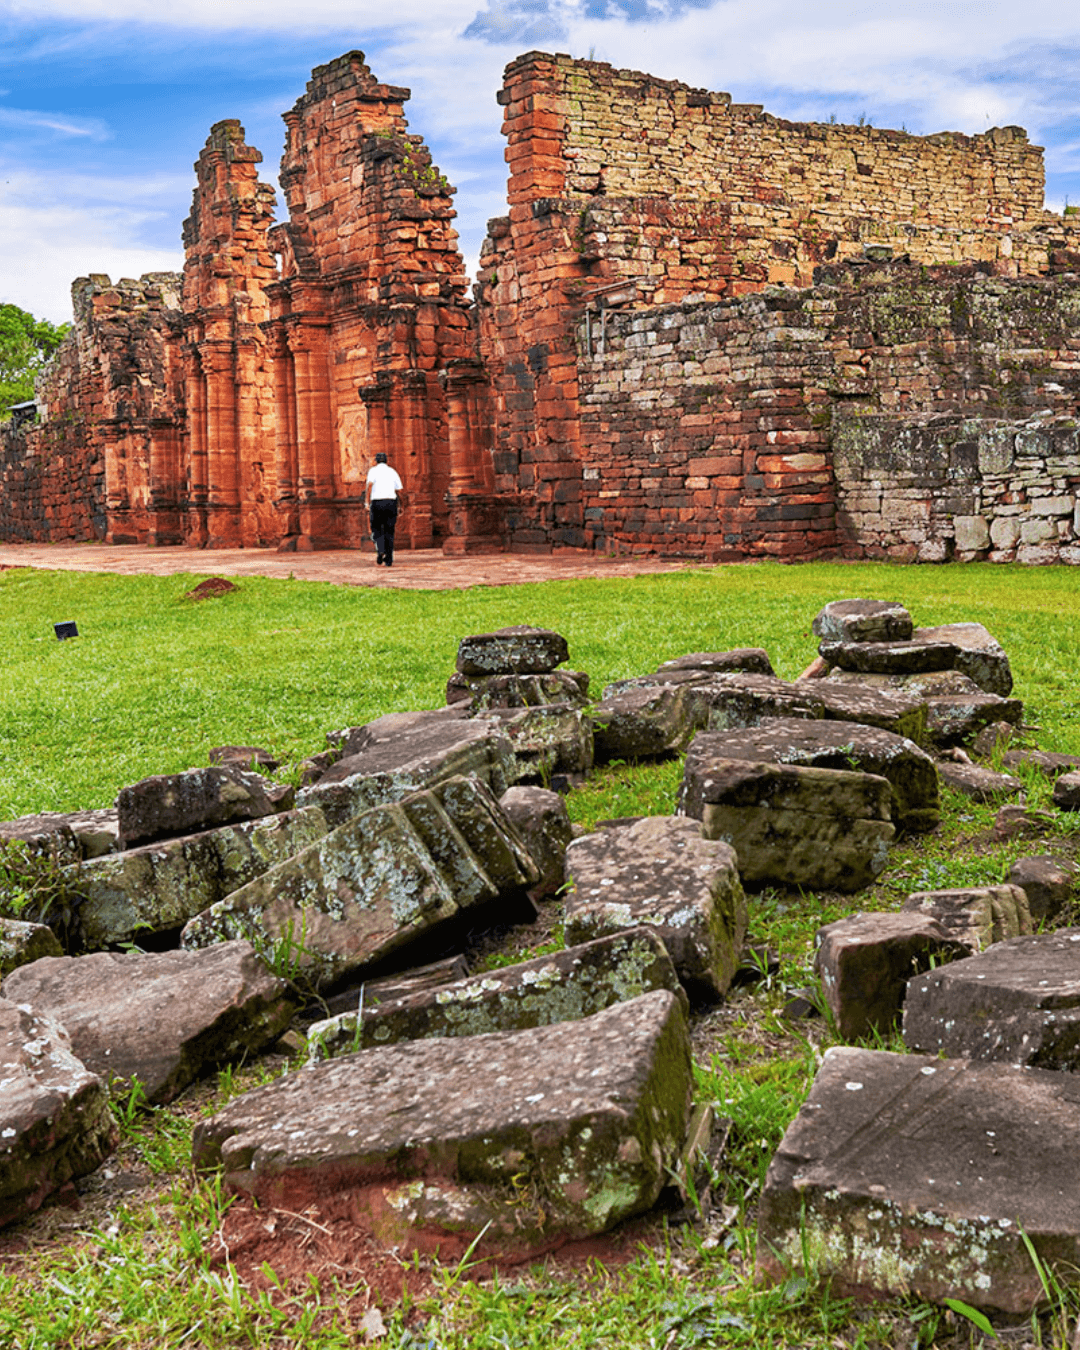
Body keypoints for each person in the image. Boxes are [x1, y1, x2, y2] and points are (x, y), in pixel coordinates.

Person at [365, 452, 404, 567]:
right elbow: (399, 490)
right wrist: (401, 505)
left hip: (377, 502)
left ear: (376, 461)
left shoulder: (373, 471)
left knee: (376, 528)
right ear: (387, 461)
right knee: (389, 530)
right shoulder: (392, 471)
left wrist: (367, 502)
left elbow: (369, 486)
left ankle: (381, 549)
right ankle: (389, 559)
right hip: (391, 502)